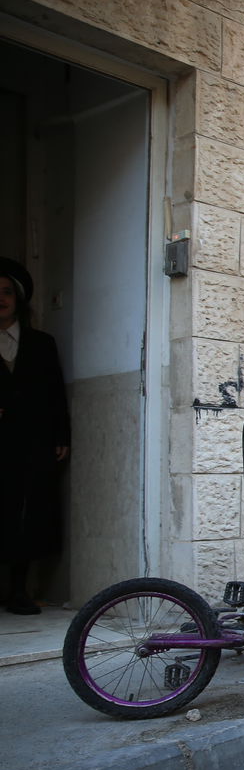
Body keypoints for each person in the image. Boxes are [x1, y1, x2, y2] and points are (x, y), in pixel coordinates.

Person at [0, 258, 69, 616]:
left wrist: (61, 435)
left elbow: (55, 392)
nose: (2, 299)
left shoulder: (41, 343)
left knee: (26, 513)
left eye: (8, 292)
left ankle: (18, 590)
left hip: (31, 442)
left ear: (19, 298)